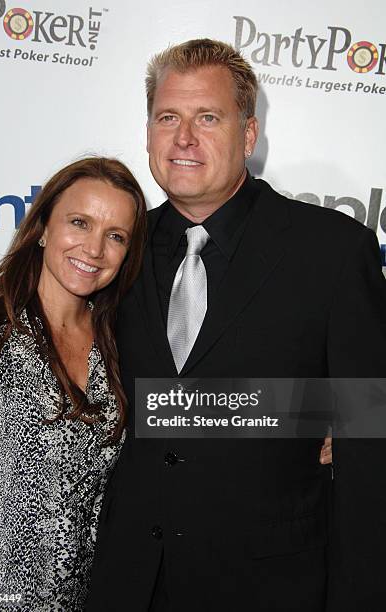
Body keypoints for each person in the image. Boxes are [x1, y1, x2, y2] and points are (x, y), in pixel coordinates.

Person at [87, 39, 386, 611]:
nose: (183, 138)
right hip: (129, 582)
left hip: (273, 587)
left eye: (208, 118)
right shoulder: (115, 250)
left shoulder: (331, 250)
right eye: (167, 117)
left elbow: (370, 441)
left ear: (249, 135)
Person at [0, 157, 147, 611]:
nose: (94, 249)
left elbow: (203, 410)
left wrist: (321, 419)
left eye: (115, 236)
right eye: (79, 222)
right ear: (42, 228)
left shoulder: (122, 352)